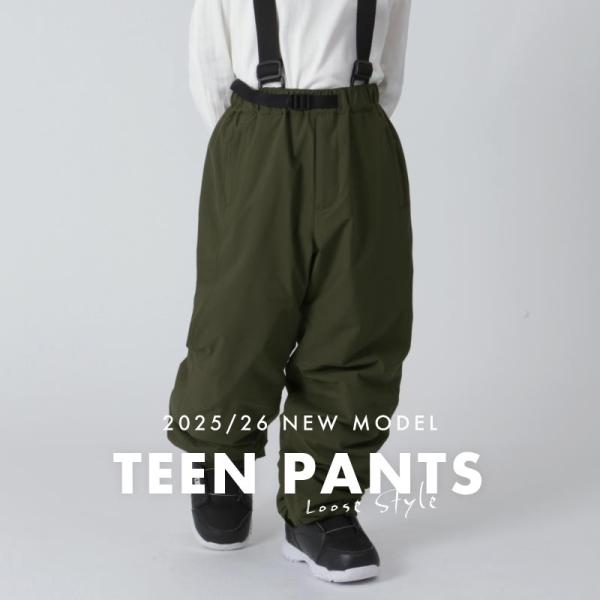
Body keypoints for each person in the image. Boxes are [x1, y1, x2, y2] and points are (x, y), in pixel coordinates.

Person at [168, 0, 412, 583]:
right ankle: (221, 462)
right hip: (259, 129)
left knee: (358, 321)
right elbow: (211, 65)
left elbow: (390, 60)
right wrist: (253, 143)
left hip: (357, 129)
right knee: (238, 320)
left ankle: (321, 509)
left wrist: (348, 125)